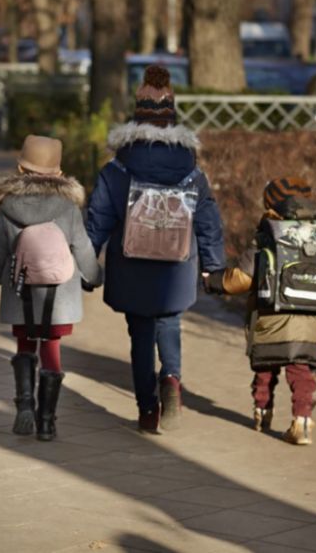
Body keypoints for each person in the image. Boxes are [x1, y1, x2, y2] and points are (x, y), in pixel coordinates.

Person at [86, 66, 225, 434]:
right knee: (170, 321)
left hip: (132, 264)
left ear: (137, 115)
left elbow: (98, 219)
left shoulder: (116, 169)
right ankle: (173, 380)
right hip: (176, 265)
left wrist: (86, 266)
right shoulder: (192, 172)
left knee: (140, 333)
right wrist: (212, 267)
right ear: (172, 117)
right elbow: (208, 221)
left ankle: (147, 409)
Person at [0, 135, 101, 441]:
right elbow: (83, 248)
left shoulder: (9, 207)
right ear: (59, 174)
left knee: (24, 345)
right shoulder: (68, 208)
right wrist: (94, 276)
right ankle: (47, 422)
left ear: (21, 169)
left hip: (20, 291)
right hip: (59, 294)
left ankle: (24, 407)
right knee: (51, 347)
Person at [203, 178, 316, 445]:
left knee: (265, 367)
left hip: (271, 315)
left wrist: (213, 281)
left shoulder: (269, 233)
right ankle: (303, 420)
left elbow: (243, 278)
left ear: (271, 203)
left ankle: (262, 411)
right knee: (301, 370)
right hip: (311, 316)